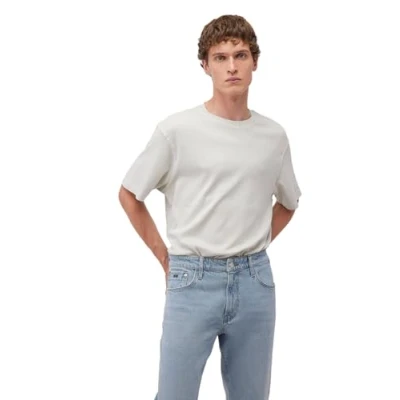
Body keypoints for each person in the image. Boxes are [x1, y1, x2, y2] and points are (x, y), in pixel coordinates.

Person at [118, 14, 302, 400]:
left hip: (255, 282)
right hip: (192, 280)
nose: (232, 66)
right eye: (220, 57)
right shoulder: (177, 130)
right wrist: (166, 258)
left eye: (240, 55)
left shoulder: (273, 136)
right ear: (205, 65)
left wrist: (253, 241)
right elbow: (130, 194)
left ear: (255, 61)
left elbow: (289, 202)